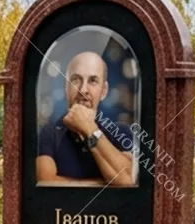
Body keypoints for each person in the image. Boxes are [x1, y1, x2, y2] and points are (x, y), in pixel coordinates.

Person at [36, 50, 134, 186]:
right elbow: (45, 181)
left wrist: (89, 128)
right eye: (76, 80)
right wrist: (105, 184)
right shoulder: (49, 133)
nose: (83, 90)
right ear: (66, 87)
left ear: (103, 91)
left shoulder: (121, 131)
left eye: (93, 81)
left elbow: (127, 180)